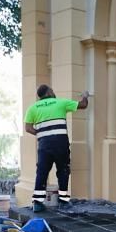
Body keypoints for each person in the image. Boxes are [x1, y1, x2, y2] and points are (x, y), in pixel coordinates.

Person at [24, 84, 89, 212]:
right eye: (52, 91)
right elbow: (83, 105)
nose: (54, 93)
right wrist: (85, 96)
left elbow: (28, 128)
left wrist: (42, 133)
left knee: (42, 172)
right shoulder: (60, 102)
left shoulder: (32, 108)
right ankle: (63, 201)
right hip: (60, 143)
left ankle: (37, 203)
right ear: (48, 93)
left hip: (44, 144)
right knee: (63, 170)